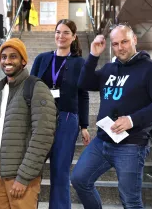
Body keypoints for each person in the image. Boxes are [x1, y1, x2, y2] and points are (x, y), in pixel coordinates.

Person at [71, 24, 152, 208]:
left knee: (130, 201)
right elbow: (84, 82)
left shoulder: (151, 69)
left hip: (131, 145)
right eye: (115, 44)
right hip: (102, 141)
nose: (120, 47)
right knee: (79, 179)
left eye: (124, 41)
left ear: (134, 40)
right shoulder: (109, 68)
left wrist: (131, 120)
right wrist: (93, 55)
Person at [0, 38, 56, 209]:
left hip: (20, 170)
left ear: (23, 60)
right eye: (4, 57)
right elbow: (6, 127)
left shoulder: (36, 88)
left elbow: (43, 136)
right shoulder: (0, 90)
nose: (7, 61)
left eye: (13, 56)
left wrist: (24, 177)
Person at [30, 19, 90, 209]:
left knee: (60, 171)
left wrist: (85, 126)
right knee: (32, 167)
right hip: (41, 119)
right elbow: (30, 87)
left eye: (66, 33)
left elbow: (83, 95)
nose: (61, 36)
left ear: (73, 37)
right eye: (58, 32)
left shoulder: (80, 63)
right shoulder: (42, 59)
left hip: (67, 119)